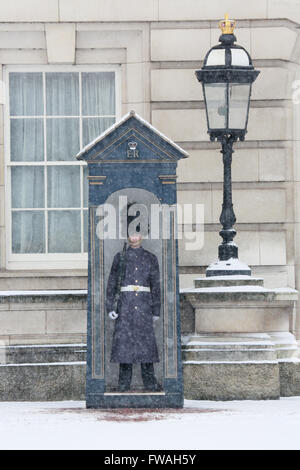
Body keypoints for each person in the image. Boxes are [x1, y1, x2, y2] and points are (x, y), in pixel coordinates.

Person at [106, 233, 161, 392]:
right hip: (125, 306)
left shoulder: (150, 258)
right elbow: (112, 283)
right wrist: (111, 307)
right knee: (125, 348)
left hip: (144, 306)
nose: (134, 238)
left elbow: (155, 286)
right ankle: (124, 383)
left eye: (137, 235)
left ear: (141, 237)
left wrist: (155, 309)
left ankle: (150, 382)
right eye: (131, 235)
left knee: (146, 348)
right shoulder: (120, 257)